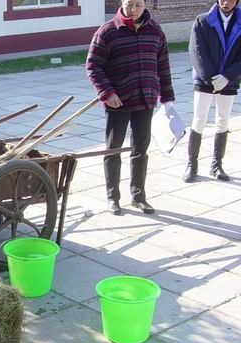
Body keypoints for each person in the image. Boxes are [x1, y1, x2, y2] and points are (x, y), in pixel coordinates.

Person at [86, 0, 175, 215]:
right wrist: (107, 93)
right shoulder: (107, 31)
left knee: (140, 150)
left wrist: (167, 97)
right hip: (118, 102)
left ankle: (138, 196)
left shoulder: (155, 30)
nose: (133, 10)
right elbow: (93, 65)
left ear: (145, 5)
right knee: (113, 149)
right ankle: (112, 197)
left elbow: (163, 65)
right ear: (121, 3)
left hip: (146, 99)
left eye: (138, 5)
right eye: (129, 5)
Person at [184, 0, 241, 183]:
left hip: (228, 81)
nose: (226, 2)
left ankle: (217, 164)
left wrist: (227, 76)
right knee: (199, 120)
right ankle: (192, 164)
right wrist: (210, 78)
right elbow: (196, 51)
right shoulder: (202, 21)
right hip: (205, 80)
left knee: (222, 120)